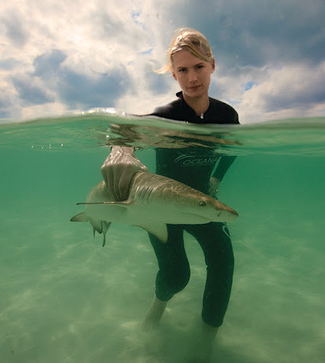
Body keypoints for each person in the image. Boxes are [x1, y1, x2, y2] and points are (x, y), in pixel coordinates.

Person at [101, 28, 239, 358]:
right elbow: (121, 134)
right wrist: (120, 153)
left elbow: (232, 151)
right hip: (161, 206)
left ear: (213, 65)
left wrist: (217, 179)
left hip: (200, 204)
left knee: (224, 262)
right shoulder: (167, 116)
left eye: (199, 67)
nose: (191, 78)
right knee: (177, 276)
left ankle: (207, 339)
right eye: (182, 70)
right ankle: (157, 307)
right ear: (174, 73)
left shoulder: (227, 117)